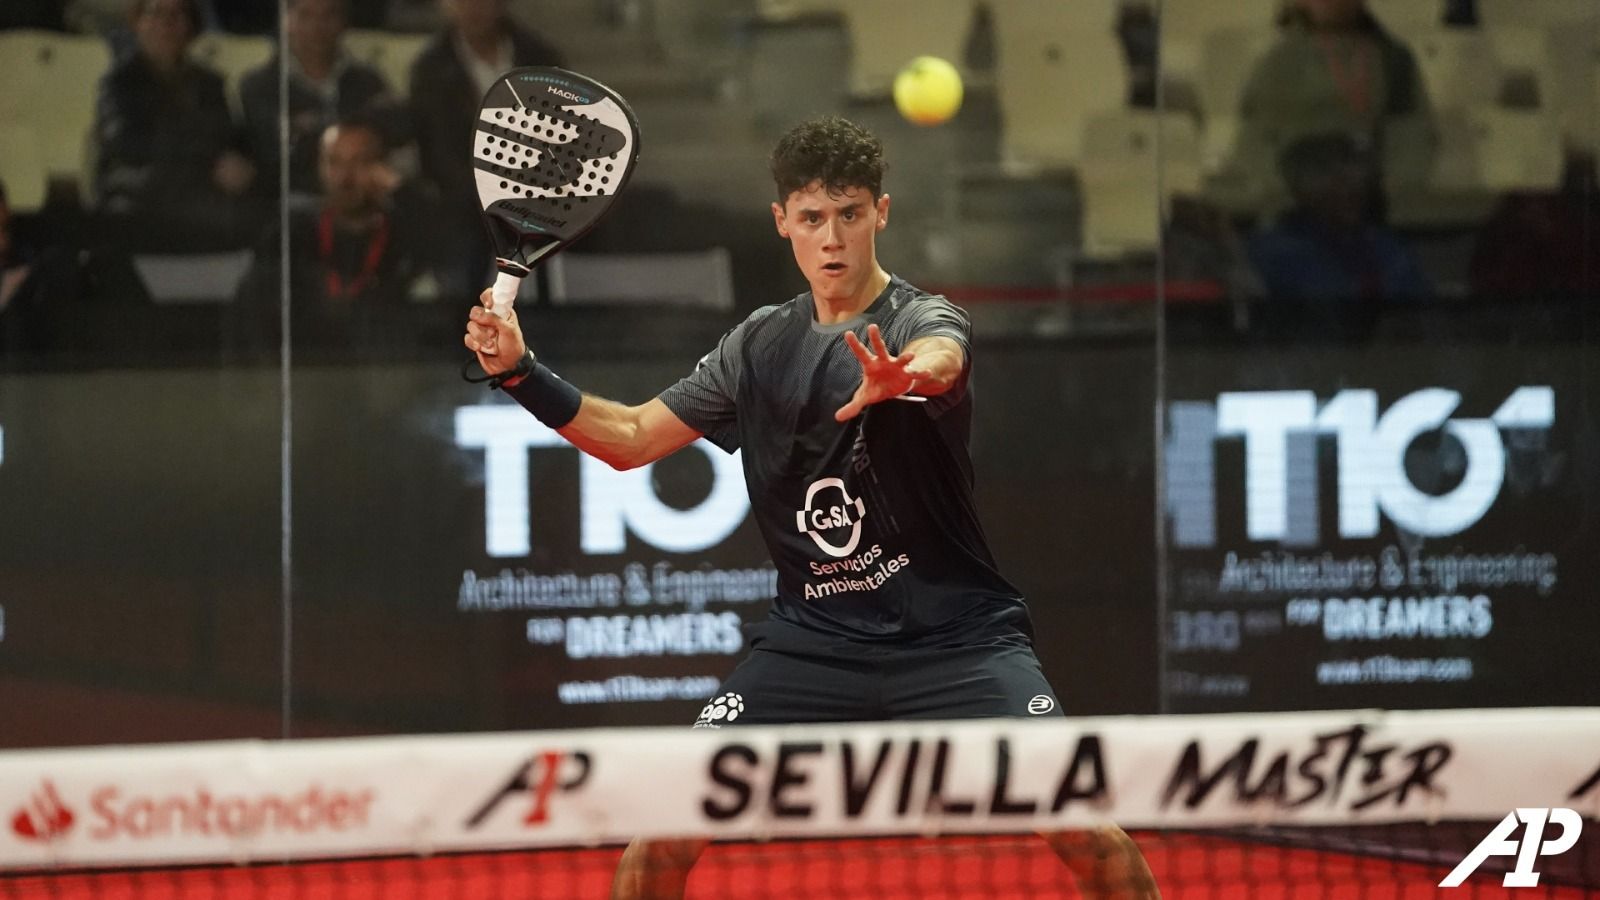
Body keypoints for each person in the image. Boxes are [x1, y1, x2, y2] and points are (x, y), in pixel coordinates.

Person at [462, 116, 1160, 900]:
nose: (834, 239)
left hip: (955, 639)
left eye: (851, 215)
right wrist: (521, 372)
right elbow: (627, 438)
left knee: (1085, 831)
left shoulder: (919, 321)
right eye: (813, 218)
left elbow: (944, 357)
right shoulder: (756, 347)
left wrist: (906, 377)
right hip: (813, 643)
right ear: (782, 224)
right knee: (661, 835)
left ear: (882, 214)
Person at [409, 0, 564, 297]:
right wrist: (492, 200)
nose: (474, 7)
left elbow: (563, 137)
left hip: (538, 200)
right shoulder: (431, 70)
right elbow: (439, 155)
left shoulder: (540, 57)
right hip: (465, 208)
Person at [233, 117, 428, 350]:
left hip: (385, 369)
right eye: (334, 163)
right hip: (310, 369)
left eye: (359, 162)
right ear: (319, 168)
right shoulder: (293, 233)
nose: (345, 177)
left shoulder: (403, 231)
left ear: (380, 169)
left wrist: (400, 189)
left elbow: (448, 246)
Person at [1226, 0, 1435, 215]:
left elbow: (1414, 140)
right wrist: (1295, 195)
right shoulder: (1276, 65)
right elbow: (1253, 146)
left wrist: (1380, 193)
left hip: (1372, 216)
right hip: (1295, 217)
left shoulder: (1394, 61)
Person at [93, 0, 259, 251]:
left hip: (200, 192)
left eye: (178, 14)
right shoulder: (119, 85)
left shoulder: (210, 84)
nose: (166, 24)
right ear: (138, 23)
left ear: (191, 26)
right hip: (141, 192)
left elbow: (229, 138)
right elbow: (130, 144)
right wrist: (207, 160)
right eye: (156, 13)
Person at [1247, 132, 1430, 339]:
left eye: (1357, 181)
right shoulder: (1271, 254)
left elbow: (1425, 316)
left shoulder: (1390, 249)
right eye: (1336, 180)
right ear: (1302, 191)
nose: (1350, 191)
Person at [239, 0, 399, 200]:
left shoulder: (369, 82)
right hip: (290, 206)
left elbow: (383, 145)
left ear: (343, 21)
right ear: (286, 20)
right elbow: (273, 159)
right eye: (305, 16)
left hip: (362, 203)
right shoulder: (259, 87)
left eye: (329, 15)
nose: (317, 27)